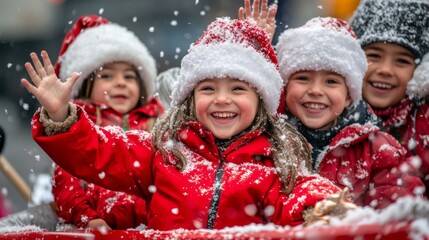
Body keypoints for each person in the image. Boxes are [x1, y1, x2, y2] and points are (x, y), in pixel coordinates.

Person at [21, 18, 352, 230]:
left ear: (261, 101)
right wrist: (62, 117)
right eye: (208, 89)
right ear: (191, 100)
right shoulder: (165, 151)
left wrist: (323, 208)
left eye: (238, 88)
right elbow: (100, 151)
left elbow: (302, 192)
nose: (222, 100)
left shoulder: (274, 162)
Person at [275, 16, 425, 209]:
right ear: (285, 87)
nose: (315, 90)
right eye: (303, 78)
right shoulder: (272, 142)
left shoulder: (378, 149)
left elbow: (398, 210)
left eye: (331, 81)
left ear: (349, 96)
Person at [51, 15, 163, 230]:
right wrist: (86, 218)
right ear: (85, 84)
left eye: (129, 77)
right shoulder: (77, 128)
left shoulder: (157, 123)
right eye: (107, 76)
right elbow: (66, 184)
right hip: (98, 228)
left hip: (149, 228)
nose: (120, 83)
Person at [349, 0, 429, 197]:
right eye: (374, 55)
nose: (385, 70)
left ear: (421, 72)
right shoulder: (333, 115)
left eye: (402, 60)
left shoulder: (423, 124)